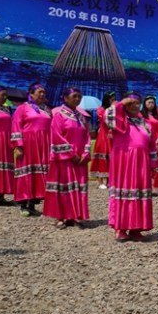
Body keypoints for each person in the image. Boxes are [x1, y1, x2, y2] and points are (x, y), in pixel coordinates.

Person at [106, 92, 157, 242]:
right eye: (132, 103)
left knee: (140, 194)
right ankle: (120, 228)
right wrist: (122, 102)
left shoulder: (145, 123)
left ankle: (136, 228)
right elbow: (107, 115)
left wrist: (153, 164)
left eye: (137, 103)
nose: (135, 106)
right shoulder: (120, 121)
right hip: (124, 161)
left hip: (142, 163)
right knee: (124, 192)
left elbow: (152, 144)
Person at [43, 87, 91, 228]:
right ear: (65, 98)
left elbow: (87, 136)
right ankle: (61, 216)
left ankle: (76, 215)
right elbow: (57, 136)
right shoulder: (59, 115)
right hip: (64, 158)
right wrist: (71, 154)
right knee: (63, 187)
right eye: (75, 96)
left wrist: (85, 153)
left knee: (78, 187)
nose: (78, 99)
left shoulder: (81, 116)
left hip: (80, 159)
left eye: (79, 97)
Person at [12, 83, 53, 216]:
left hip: (44, 145)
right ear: (31, 94)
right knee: (27, 172)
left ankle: (32, 204)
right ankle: (23, 204)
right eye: (39, 92)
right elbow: (16, 126)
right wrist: (18, 145)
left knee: (39, 173)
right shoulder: (23, 108)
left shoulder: (47, 110)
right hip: (28, 144)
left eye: (44, 92)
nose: (42, 94)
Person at [90, 92, 116, 191]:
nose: (113, 101)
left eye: (114, 99)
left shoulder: (115, 110)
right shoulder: (100, 110)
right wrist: (112, 109)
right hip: (103, 136)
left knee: (111, 158)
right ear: (107, 99)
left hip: (112, 137)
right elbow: (106, 120)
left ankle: (110, 181)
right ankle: (100, 181)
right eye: (111, 99)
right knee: (101, 156)